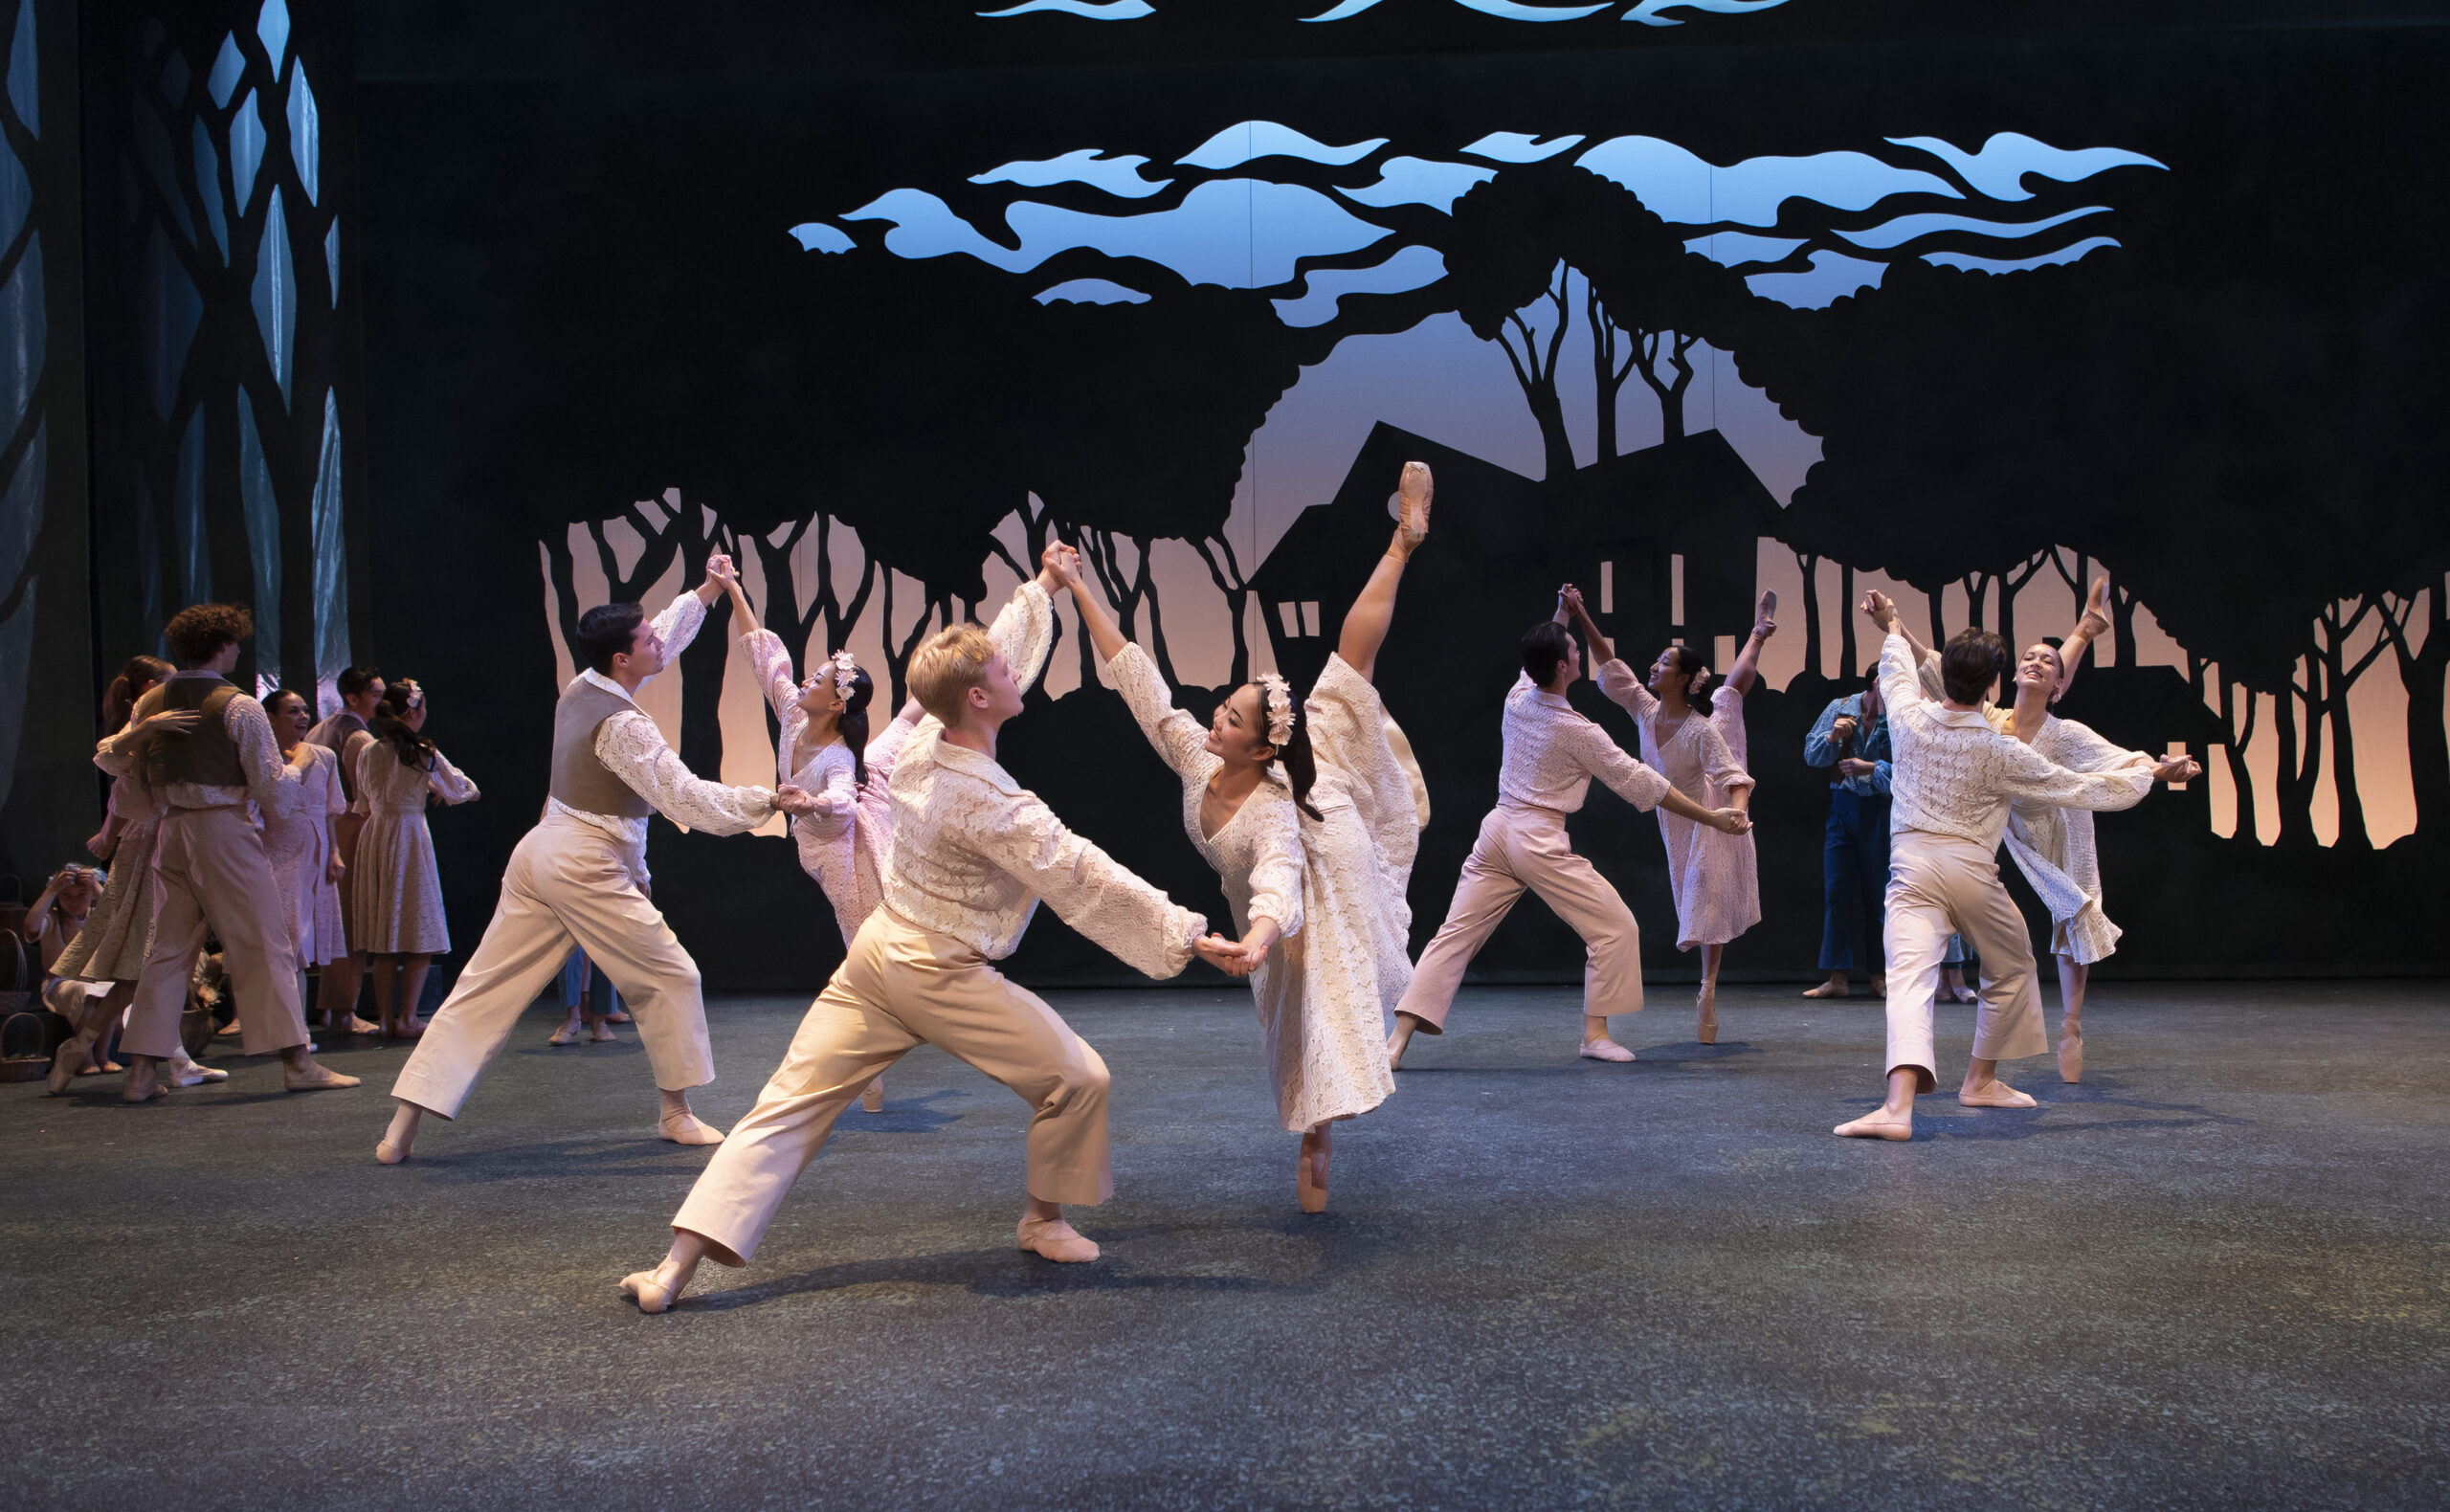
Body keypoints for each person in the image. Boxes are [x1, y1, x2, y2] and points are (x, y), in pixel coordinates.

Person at [619, 606, 1241, 1312]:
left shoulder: (915, 749)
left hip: (877, 954)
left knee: (784, 1107)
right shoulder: (995, 803)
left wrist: (1042, 588)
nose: (1014, 670)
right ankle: (1044, 1219)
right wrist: (1186, 933)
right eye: (1003, 671)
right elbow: (1082, 873)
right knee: (1079, 1077)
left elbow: (965, 675)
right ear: (977, 699)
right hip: (936, 971)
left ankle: (673, 1269)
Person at [1067, 463, 1433, 1212]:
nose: (1214, 721)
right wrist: (1079, 589)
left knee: (1316, 999)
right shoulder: (1197, 753)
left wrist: (1261, 938)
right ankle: (1400, 543)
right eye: (1223, 708)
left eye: (1230, 719)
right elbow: (1139, 682)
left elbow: (1278, 874)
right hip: (1286, 849)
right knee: (1346, 672)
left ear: (1261, 750)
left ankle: (1317, 1135)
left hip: (1321, 854)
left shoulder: (1269, 811)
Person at [375, 554, 818, 1163]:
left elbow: (665, 629)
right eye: (644, 641)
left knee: (483, 990)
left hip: (538, 853)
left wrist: (710, 591)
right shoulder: (623, 726)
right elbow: (682, 795)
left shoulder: (582, 686)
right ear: (621, 658)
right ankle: (676, 1112)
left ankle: (401, 1128)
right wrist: (767, 799)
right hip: (583, 859)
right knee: (671, 975)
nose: (657, 643)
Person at [1833, 591, 2189, 1141]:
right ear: (1994, 687)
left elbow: (1898, 664)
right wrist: (2155, 777)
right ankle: (1980, 1079)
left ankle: (1897, 1107)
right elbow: (2075, 786)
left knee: (1908, 981)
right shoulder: (1999, 747)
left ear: (1942, 676)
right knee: (2015, 964)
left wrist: (1891, 623)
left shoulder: (1905, 716)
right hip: (1972, 869)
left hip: (1911, 867)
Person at [719, 554, 1060, 1113]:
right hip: (844, 815)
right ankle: (871, 1058)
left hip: (849, 834)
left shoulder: (833, 760)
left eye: (821, 679)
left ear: (835, 702)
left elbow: (840, 805)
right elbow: (766, 658)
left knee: (864, 950)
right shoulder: (792, 715)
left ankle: (1022, 610)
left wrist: (809, 803)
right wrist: (732, 589)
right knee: (915, 717)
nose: (807, 678)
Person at [1388, 590, 1751, 1069]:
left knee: (1454, 934)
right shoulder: (1579, 730)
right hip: (1535, 838)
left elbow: (1548, 650)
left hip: (1495, 831)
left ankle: (1395, 1043)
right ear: (1561, 667)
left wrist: (1563, 613)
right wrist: (1711, 816)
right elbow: (1643, 783)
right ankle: (1595, 1034)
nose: (1579, 652)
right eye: (1573, 650)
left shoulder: (1518, 696)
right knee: (1615, 928)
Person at [91, 604, 358, 1103]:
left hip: (171, 831)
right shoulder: (237, 705)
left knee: (167, 954)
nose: (238, 650)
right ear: (222, 647)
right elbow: (274, 792)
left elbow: (117, 765)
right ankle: (298, 1063)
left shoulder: (151, 703)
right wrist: (298, 764)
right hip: (221, 833)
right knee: (266, 943)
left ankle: (141, 1075)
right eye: (235, 643)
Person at [1997, 613, 2196, 1081]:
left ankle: (2070, 1025)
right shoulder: (1990, 722)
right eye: (2028, 657)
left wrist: (2161, 770)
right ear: (2011, 671)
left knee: (2076, 910)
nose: (2037, 663)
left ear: (2060, 685)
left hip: (2063, 822)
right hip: (2009, 824)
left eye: (2048, 662)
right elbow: (1940, 671)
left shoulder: (2066, 734)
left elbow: (2119, 758)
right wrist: (1895, 628)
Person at [1583, 589, 1770, 1044]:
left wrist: (1737, 816)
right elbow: (1612, 667)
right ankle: (1759, 632)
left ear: (1685, 678)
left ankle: (1707, 987)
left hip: (1710, 810)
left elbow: (1738, 780)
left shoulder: (1700, 731)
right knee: (1727, 698)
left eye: (1665, 663)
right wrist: (1580, 612)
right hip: (1676, 819)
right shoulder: (1645, 712)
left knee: (1704, 895)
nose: (1654, 666)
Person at [350, 679, 480, 1038]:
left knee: (385, 932)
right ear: (413, 711)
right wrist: (439, 787)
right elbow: (464, 788)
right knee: (417, 924)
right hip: (408, 834)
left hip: (377, 835)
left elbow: (363, 804)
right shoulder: (423, 750)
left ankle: (386, 1019)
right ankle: (408, 1018)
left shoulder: (369, 752)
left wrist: (424, 786)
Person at [1802, 666, 1892, 1000]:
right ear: (1877, 680)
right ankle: (1837, 976)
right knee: (1837, 888)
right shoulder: (1841, 707)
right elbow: (1811, 756)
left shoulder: (1901, 716)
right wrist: (1832, 738)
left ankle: (1880, 976)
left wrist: (1875, 764)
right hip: (1844, 805)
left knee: (1881, 893)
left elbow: (1911, 769)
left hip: (1882, 809)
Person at [262, 690, 352, 1021]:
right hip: (275, 847)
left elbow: (330, 810)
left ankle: (293, 1024)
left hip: (314, 849)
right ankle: (270, 1023)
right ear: (271, 717)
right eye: (292, 711)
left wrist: (335, 852)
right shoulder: (262, 755)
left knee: (302, 936)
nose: (302, 717)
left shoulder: (324, 756)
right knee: (282, 935)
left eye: (304, 710)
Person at [306, 666, 385, 1034]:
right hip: (349, 827)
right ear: (353, 698)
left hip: (326, 828)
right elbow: (366, 793)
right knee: (351, 921)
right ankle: (342, 1010)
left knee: (338, 919)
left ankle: (332, 1008)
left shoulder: (323, 726)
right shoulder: (356, 736)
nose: (381, 703)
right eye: (375, 695)